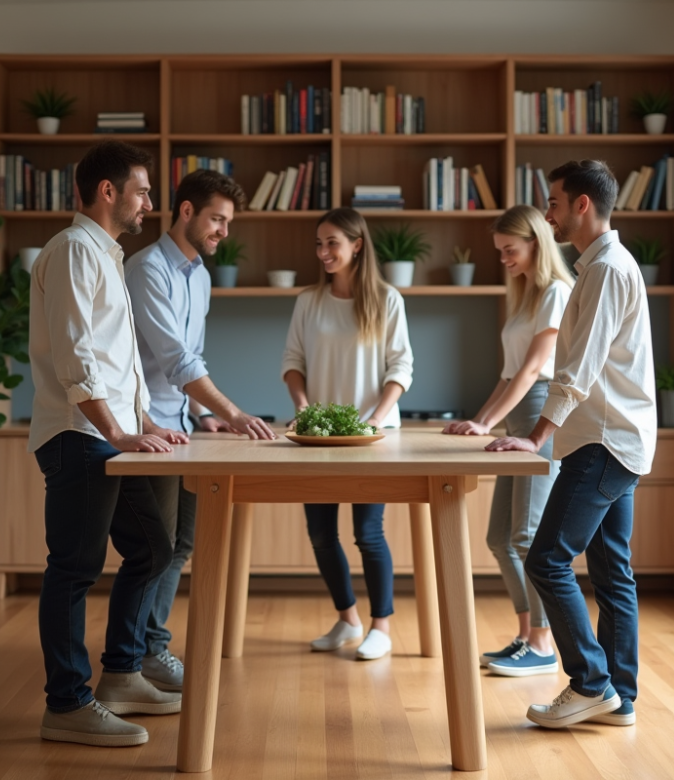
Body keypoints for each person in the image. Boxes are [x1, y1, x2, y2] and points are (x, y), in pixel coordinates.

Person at [28, 141, 193, 747]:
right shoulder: (75, 251)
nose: (150, 202)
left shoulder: (106, 255)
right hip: (80, 437)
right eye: (144, 191)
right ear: (108, 191)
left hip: (108, 438)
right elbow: (77, 358)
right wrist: (119, 431)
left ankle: (122, 674)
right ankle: (66, 703)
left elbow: (116, 361)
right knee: (73, 568)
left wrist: (141, 425)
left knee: (154, 545)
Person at [487, 160, 656, 729]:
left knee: (546, 558)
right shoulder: (601, 267)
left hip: (602, 443)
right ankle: (618, 697)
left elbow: (578, 371)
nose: (549, 214)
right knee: (612, 574)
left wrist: (535, 436)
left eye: (555, 204)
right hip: (614, 439)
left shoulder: (606, 270)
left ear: (582, 204)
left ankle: (590, 683)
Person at [125, 168, 276, 693]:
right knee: (158, 547)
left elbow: (191, 359)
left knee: (183, 542)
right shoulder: (147, 270)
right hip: (148, 430)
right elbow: (174, 359)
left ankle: (152, 647)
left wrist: (204, 414)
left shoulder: (200, 275)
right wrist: (234, 413)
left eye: (228, 222)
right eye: (217, 219)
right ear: (185, 211)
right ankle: (142, 655)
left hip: (183, 425)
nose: (223, 232)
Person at [442, 205, 573, 677]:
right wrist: (479, 421)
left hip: (540, 415)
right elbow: (507, 374)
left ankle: (542, 642)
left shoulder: (557, 293)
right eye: (499, 251)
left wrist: (488, 423)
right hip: (517, 416)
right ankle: (525, 635)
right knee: (499, 537)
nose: (503, 259)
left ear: (537, 243)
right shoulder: (524, 296)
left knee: (527, 534)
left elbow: (534, 371)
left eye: (510, 250)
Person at [280, 207, 413, 661]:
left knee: (367, 532)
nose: (323, 252)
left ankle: (381, 627)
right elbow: (293, 362)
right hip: (316, 436)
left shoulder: (387, 299)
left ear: (357, 244)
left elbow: (401, 367)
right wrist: (301, 409)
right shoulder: (308, 302)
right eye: (319, 243)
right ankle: (347, 619)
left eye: (332, 242)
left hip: (372, 437)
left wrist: (376, 417)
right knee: (320, 534)